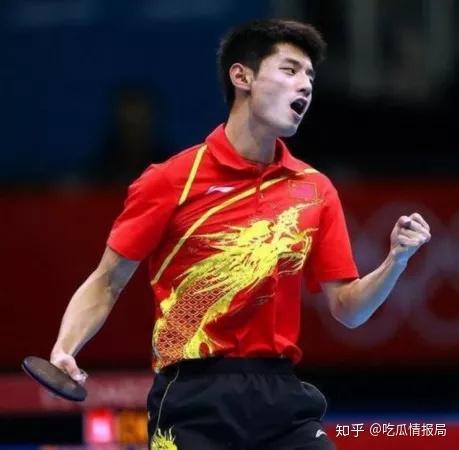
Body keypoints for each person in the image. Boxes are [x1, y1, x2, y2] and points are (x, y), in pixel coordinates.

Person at [50, 19, 431, 450]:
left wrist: (395, 261)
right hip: (192, 399)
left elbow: (349, 309)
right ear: (242, 76)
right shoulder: (171, 180)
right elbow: (106, 281)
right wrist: (66, 347)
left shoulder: (315, 189)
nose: (305, 85)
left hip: (281, 399)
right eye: (290, 70)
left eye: (310, 76)